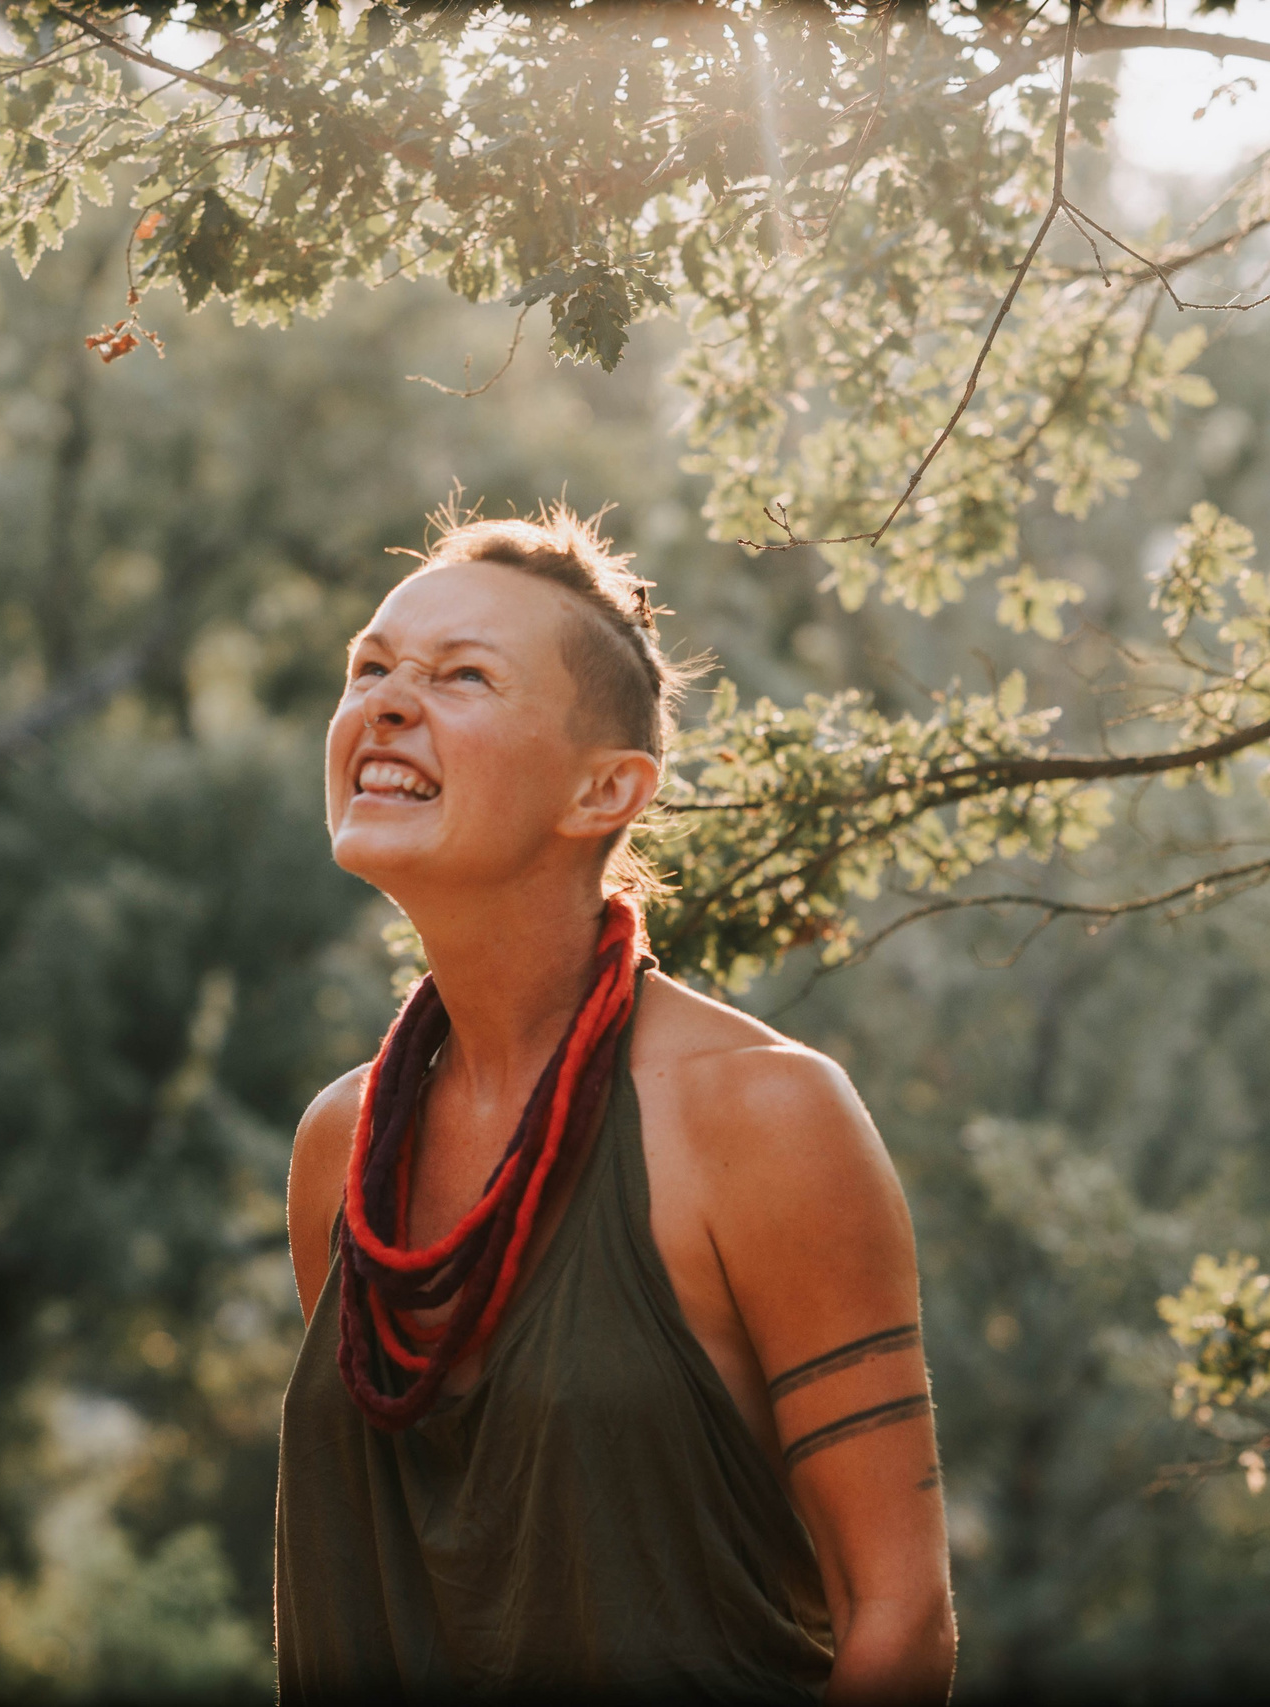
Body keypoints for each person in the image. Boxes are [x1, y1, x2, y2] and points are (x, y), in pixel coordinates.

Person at [276, 505, 952, 1703]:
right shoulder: (345, 1149)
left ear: (604, 791)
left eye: (460, 677)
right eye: (368, 667)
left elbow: (897, 1622)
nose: (382, 701)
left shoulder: (762, 1117)